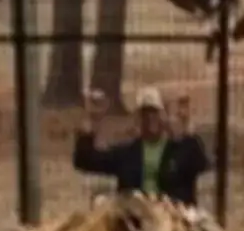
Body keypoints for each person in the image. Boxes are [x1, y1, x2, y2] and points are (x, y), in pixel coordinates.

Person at [72, 86, 211, 205]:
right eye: (145, 114)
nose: (150, 119)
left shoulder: (180, 150)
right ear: (138, 118)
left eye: (154, 113)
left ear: (163, 116)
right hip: (135, 221)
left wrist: (187, 127)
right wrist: (92, 123)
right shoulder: (127, 154)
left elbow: (201, 163)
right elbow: (85, 160)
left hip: (172, 220)